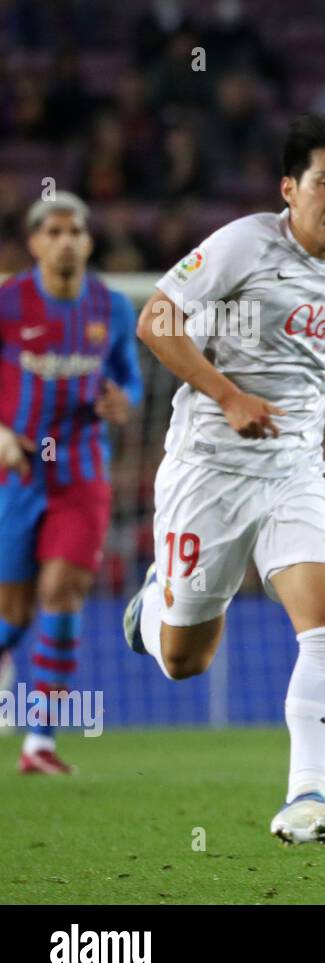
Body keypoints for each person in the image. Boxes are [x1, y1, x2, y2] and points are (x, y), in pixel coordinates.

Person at [122, 113, 325, 846]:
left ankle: (305, 798)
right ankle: (152, 607)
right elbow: (156, 320)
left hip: (294, 470)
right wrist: (228, 395)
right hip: (208, 468)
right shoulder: (243, 244)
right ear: (289, 189)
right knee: (183, 661)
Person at [0, 192, 142, 773]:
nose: (65, 240)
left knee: (62, 594)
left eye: (75, 231)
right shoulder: (9, 302)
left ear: (87, 241)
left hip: (81, 476)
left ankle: (39, 741)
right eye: (53, 230)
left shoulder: (111, 307)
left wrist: (121, 403)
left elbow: (130, 383)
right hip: (18, 471)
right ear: (35, 242)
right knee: (14, 611)